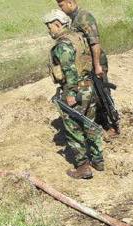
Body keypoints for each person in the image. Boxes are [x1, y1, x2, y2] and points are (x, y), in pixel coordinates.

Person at [45, 9, 105, 179]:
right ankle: (98, 160)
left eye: (50, 27)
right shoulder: (78, 37)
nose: (49, 30)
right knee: (90, 124)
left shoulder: (63, 45)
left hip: (75, 89)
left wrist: (70, 93)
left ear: (58, 24)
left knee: (74, 128)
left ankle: (83, 167)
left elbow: (69, 71)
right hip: (88, 86)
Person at [56, 0, 118, 138]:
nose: (60, 9)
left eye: (61, 5)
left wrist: (97, 65)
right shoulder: (72, 19)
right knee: (91, 94)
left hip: (95, 63)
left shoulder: (84, 17)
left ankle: (112, 125)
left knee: (102, 94)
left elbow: (95, 43)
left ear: (70, 3)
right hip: (86, 65)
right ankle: (98, 124)